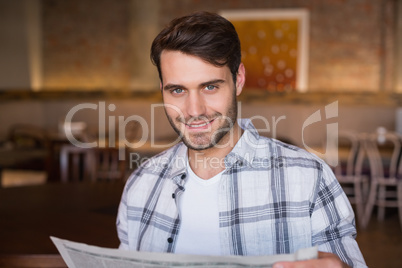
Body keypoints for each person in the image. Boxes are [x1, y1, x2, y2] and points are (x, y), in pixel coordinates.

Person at [116, 11, 367, 268]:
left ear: (239, 80)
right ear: (162, 91)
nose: (193, 110)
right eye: (178, 90)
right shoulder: (141, 184)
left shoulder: (309, 178)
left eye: (210, 87)